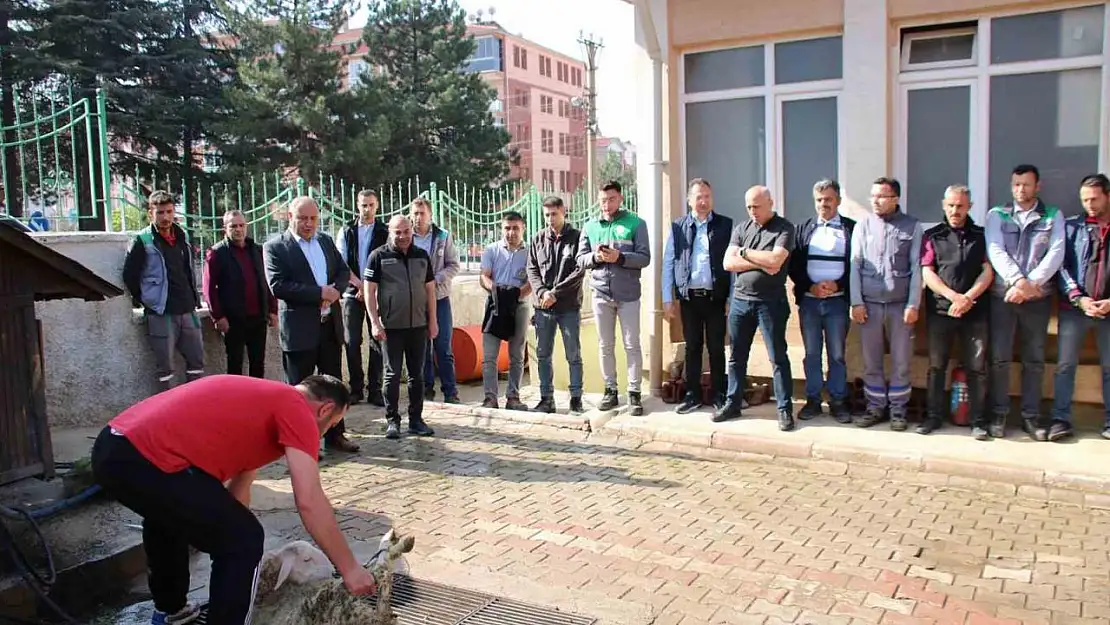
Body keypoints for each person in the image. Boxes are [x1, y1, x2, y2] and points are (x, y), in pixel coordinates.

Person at [90, 374, 376, 625]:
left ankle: (171, 612)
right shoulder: (296, 408)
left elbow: (238, 491)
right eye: (332, 424)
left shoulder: (265, 403)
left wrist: (231, 539)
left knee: (173, 518)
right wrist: (350, 568)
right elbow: (310, 499)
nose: (324, 433)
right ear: (325, 408)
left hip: (112, 449)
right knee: (244, 539)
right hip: (144, 457)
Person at [263, 196, 358, 453]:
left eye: (313, 218)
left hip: (329, 327)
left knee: (333, 386)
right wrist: (318, 293)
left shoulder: (325, 241)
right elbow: (278, 285)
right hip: (299, 330)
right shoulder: (275, 247)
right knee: (299, 392)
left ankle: (336, 436)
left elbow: (341, 271)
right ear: (289, 217)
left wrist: (335, 291)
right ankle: (301, 444)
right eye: (302, 218)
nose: (308, 223)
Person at [985, 164, 1065, 440]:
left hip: (1037, 300)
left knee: (1034, 360)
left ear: (1037, 186)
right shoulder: (997, 215)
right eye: (1016, 184)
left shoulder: (1053, 216)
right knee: (999, 359)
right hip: (1003, 297)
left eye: (1026, 184)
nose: (1021, 190)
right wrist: (1019, 281)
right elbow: (995, 249)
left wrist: (1030, 285)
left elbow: (1055, 254)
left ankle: (1031, 417)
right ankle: (998, 414)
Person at [717, 185, 796, 430]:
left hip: (770, 302)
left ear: (770, 203)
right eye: (749, 207)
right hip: (740, 301)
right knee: (736, 357)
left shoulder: (784, 228)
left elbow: (776, 262)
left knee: (777, 357)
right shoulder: (742, 228)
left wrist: (745, 254)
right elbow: (728, 263)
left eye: (757, 206)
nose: (753, 211)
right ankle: (733, 403)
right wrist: (759, 259)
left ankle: (784, 409)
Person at [919, 185, 993, 438]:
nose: (955, 210)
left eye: (960, 206)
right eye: (951, 205)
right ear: (943, 205)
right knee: (937, 366)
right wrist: (952, 297)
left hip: (975, 311)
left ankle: (978, 421)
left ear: (969, 206)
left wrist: (968, 298)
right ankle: (933, 417)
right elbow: (927, 272)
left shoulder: (981, 235)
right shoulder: (932, 236)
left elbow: (988, 271)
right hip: (941, 311)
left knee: (976, 367)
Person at [576, 181, 652, 415]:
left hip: (628, 294)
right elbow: (580, 259)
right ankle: (610, 390)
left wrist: (620, 257)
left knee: (631, 345)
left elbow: (644, 258)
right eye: (602, 200)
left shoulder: (636, 224)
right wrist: (597, 258)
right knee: (605, 345)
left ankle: (634, 393)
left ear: (620, 198)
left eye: (611, 199)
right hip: (601, 294)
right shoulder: (590, 226)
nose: (606, 205)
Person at [363, 215, 438, 440]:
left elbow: (430, 291)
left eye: (406, 231)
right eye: (398, 232)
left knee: (417, 375)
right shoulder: (378, 256)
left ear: (411, 231)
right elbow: (369, 292)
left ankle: (416, 420)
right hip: (391, 328)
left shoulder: (421, 255)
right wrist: (375, 323)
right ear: (390, 232)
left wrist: (433, 321)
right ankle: (392, 421)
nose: (403, 236)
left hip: (418, 326)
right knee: (392, 375)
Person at [122, 190, 205, 391]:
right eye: (160, 212)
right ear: (151, 213)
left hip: (187, 309)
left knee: (197, 363)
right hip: (161, 312)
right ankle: (168, 415)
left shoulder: (181, 236)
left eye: (169, 211)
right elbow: (130, 275)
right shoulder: (143, 240)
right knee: (165, 368)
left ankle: (195, 407)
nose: (165, 217)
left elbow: (187, 270)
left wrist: (194, 299)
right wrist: (146, 300)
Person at [787, 179, 855, 423]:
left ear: (838, 200)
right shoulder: (803, 228)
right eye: (819, 200)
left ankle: (838, 401)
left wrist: (838, 284)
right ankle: (813, 400)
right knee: (812, 352)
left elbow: (856, 265)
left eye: (828, 199)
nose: (823, 204)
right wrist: (811, 286)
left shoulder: (851, 229)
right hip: (810, 302)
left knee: (837, 354)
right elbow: (793, 266)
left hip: (837, 302)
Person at [662, 178, 732, 414]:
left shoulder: (725, 226)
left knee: (716, 347)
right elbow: (669, 262)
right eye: (699, 197)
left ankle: (719, 394)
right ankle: (692, 395)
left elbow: (732, 265)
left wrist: (731, 296)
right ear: (689, 200)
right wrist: (667, 297)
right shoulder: (678, 226)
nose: (703, 201)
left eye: (707, 197)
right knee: (692, 347)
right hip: (689, 298)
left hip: (716, 298)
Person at [1053, 173, 1110, 442]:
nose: (1089, 204)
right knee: (1065, 365)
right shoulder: (1073, 227)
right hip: (1075, 308)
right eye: (1085, 199)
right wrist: (1078, 297)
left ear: (1107, 196)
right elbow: (1061, 266)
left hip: (1108, 311)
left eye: (1094, 199)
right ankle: (1060, 420)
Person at [526, 196, 585, 414]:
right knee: (543, 354)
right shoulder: (538, 239)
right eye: (547, 215)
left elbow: (579, 271)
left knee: (573, 354)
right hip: (543, 308)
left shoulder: (577, 238)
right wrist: (542, 292)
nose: (550, 219)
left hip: (568, 307)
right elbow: (532, 269)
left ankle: (576, 398)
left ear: (563, 212)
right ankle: (546, 399)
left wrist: (555, 293)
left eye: (554, 214)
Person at [203, 210, 278, 378]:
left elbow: (267, 281)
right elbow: (209, 288)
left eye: (241, 225)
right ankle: (236, 402)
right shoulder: (217, 253)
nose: (238, 229)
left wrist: (273, 310)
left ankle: (256, 401)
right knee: (235, 365)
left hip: (258, 318)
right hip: (233, 320)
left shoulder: (257, 250)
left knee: (258, 362)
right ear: (225, 229)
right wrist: (218, 316)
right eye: (233, 226)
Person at [336, 189, 388, 406]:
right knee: (352, 341)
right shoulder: (346, 230)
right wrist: (358, 284)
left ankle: (375, 389)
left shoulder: (385, 231)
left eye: (371, 205)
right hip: (351, 292)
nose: (367, 209)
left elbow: (387, 260)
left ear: (377, 206)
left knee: (377, 338)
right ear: (357, 206)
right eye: (363, 205)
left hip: (376, 293)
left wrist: (369, 288)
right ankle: (356, 388)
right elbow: (341, 262)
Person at [410, 198, 461, 404]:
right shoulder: (406, 237)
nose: (418, 217)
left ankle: (450, 392)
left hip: (439, 298)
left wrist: (435, 279)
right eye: (415, 213)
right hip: (416, 300)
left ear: (430, 215)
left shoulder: (442, 236)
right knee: (422, 348)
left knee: (443, 346)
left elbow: (453, 265)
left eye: (422, 213)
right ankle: (426, 390)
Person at [479, 211, 531, 411]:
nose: (511, 233)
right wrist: (498, 293)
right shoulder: (492, 250)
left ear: (523, 228)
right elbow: (484, 276)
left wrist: (515, 296)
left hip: (520, 306)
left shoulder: (530, 252)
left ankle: (513, 397)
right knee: (490, 355)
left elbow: (532, 281)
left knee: (517, 354)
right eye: (507, 228)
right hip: (495, 306)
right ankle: (490, 398)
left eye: (515, 228)